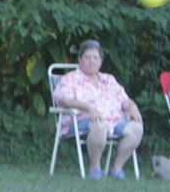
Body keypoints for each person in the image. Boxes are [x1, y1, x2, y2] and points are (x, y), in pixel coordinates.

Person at [53, 39, 143, 179]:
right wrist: (89, 108)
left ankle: (117, 169)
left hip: (113, 121)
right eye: (87, 57)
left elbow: (124, 100)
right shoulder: (70, 79)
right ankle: (95, 168)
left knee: (136, 128)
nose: (91, 61)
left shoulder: (109, 80)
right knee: (99, 125)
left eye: (95, 58)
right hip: (79, 121)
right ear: (80, 59)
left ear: (100, 61)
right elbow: (64, 100)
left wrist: (133, 107)